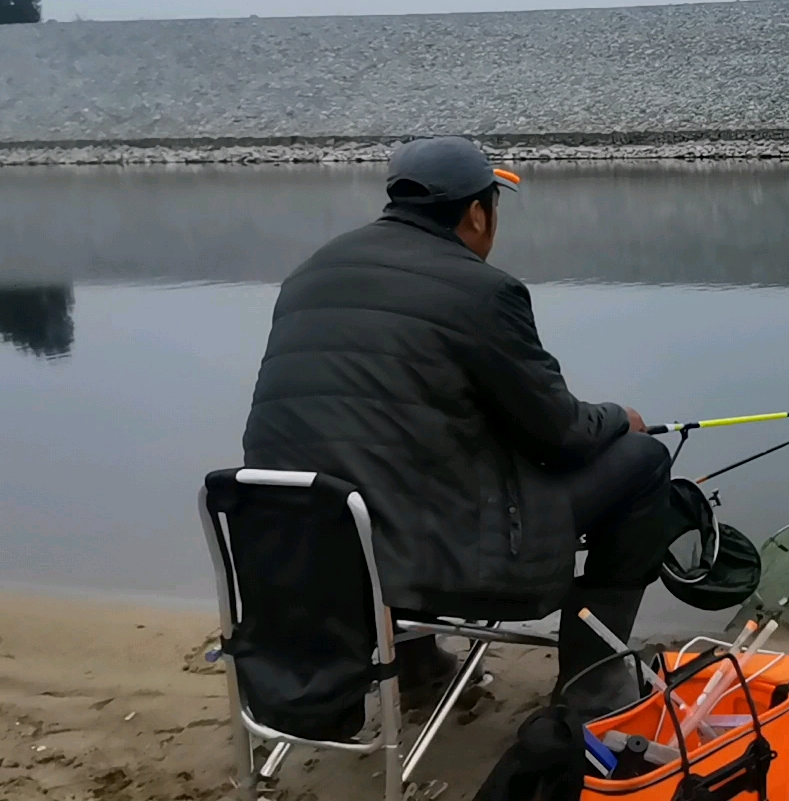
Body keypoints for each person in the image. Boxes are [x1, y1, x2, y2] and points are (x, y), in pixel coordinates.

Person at [242, 136, 672, 715]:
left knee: (390, 470)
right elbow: (561, 433)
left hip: (300, 559)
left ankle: (419, 671)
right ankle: (592, 682)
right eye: (494, 207)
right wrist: (621, 419)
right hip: (424, 559)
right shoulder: (482, 290)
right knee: (642, 465)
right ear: (476, 213)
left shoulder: (309, 274)